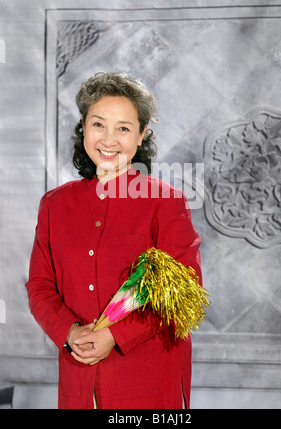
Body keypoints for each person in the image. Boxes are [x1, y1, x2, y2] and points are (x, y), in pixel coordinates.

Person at [26, 72, 202, 409]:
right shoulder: (54, 204)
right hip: (79, 379)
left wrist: (115, 335)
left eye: (123, 127)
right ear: (83, 127)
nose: (109, 139)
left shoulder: (166, 201)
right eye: (98, 124)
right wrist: (70, 331)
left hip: (148, 380)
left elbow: (185, 294)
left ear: (141, 135)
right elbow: (39, 285)